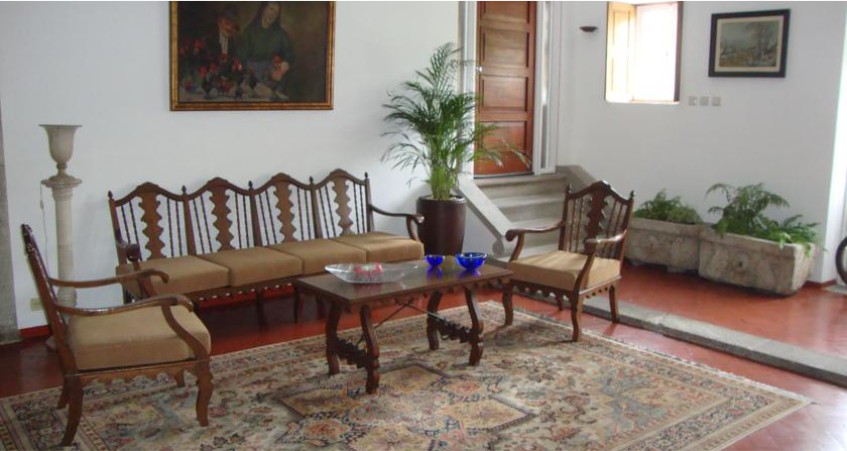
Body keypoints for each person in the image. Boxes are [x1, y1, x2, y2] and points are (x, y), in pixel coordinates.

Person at [238, 1, 295, 99]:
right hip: (252, 79)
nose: (272, 14)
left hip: (273, 80)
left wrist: (282, 67)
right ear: (263, 9)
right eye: (271, 9)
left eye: (276, 12)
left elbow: (290, 54)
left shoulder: (280, 34)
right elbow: (241, 58)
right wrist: (250, 74)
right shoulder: (249, 32)